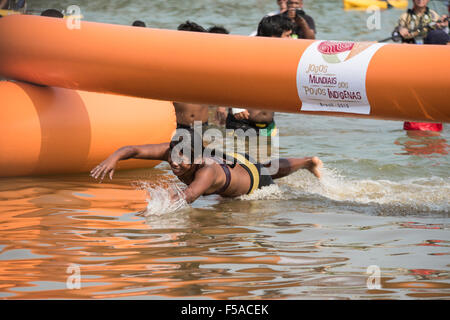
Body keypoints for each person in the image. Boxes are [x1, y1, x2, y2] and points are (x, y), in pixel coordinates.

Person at [90, 129, 323, 204]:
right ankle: (306, 161)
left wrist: (154, 206)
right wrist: (114, 158)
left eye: (182, 158)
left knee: (265, 169)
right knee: (263, 165)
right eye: (172, 156)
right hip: (231, 159)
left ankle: (306, 162)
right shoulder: (177, 151)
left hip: (253, 179)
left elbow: (189, 196)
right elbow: (133, 149)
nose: (174, 163)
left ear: (197, 158)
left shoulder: (207, 170)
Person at [218, 15, 295, 137]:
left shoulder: (282, 57)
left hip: (269, 126)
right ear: (273, 37)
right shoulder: (249, 55)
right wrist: (236, 106)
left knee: (269, 156)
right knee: (241, 156)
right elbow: (229, 78)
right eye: (287, 35)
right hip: (242, 123)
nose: (291, 39)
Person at [173, 21, 210, 130]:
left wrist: (222, 107)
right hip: (178, 125)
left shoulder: (207, 65)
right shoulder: (173, 65)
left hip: (201, 125)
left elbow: (224, 86)